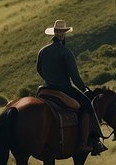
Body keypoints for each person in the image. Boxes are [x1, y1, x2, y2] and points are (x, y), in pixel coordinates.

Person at [36, 19, 107, 155]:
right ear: (64, 34)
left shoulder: (43, 51)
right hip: (64, 88)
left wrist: (49, 79)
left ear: (54, 33)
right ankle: (90, 143)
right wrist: (84, 88)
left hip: (46, 88)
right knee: (88, 106)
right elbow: (74, 77)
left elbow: (39, 69)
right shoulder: (66, 52)